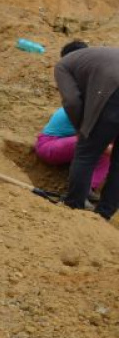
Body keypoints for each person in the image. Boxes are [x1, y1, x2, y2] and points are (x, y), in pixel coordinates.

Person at [53, 40, 119, 220]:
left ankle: (74, 209)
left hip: (114, 94)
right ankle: (104, 215)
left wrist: (82, 128)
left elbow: (72, 101)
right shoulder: (99, 57)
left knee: (86, 153)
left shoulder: (63, 65)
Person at [34, 106, 110, 193]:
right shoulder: (87, 109)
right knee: (98, 147)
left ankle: (87, 189)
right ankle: (81, 191)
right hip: (48, 146)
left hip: (63, 143)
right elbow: (94, 141)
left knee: (103, 148)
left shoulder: (93, 105)